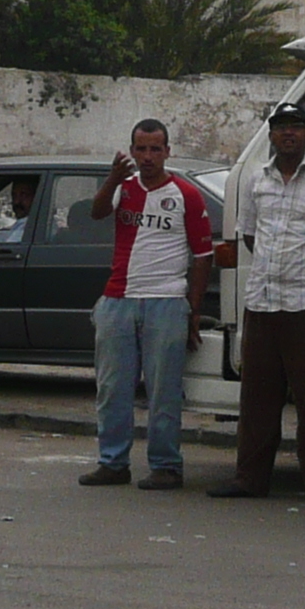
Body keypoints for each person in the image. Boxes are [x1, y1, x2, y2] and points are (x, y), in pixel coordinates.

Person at [213, 101, 305, 505]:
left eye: (296, 127)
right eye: (281, 128)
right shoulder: (256, 182)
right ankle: (250, 479)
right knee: (257, 400)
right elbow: (248, 235)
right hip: (262, 302)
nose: (288, 134)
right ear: (272, 135)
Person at [80, 119, 213, 492]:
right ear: (132, 151)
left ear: (168, 151)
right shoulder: (123, 188)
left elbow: (203, 256)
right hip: (119, 298)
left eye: (156, 149)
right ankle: (113, 462)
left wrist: (193, 309)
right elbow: (96, 212)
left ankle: (166, 465)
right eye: (141, 149)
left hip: (167, 301)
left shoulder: (186, 194)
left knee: (163, 390)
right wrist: (111, 179)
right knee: (112, 387)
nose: (148, 157)